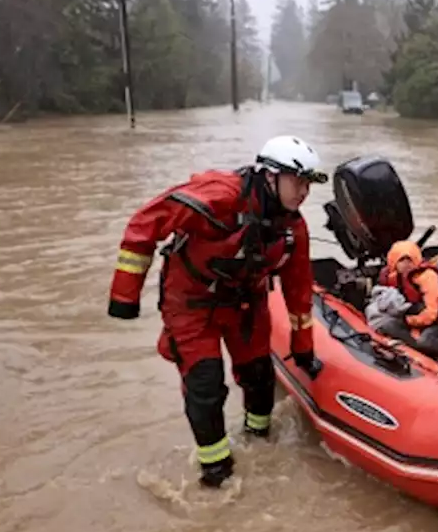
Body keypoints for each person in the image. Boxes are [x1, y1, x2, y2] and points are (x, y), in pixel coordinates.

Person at [107, 135, 326, 489]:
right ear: (269, 176)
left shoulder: (292, 228)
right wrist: (124, 297)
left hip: (245, 303)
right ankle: (216, 472)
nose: (303, 193)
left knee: (259, 376)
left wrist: (304, 349)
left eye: (307, 185)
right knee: (205, 383)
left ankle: (259, 441)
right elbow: (144, 224)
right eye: (297, 182)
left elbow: (299, 291)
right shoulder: (217, 197)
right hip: (191, 304)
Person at [375, 240, 438, 359]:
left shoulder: (428, 277)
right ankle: (418, 347)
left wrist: (409, 322)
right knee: (386, 325)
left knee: (425, 342)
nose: (406, 264)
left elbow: (431, 314)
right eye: (401, 260)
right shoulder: (394, 276)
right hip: (415, 317)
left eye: (409, 260)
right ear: (394, 262)